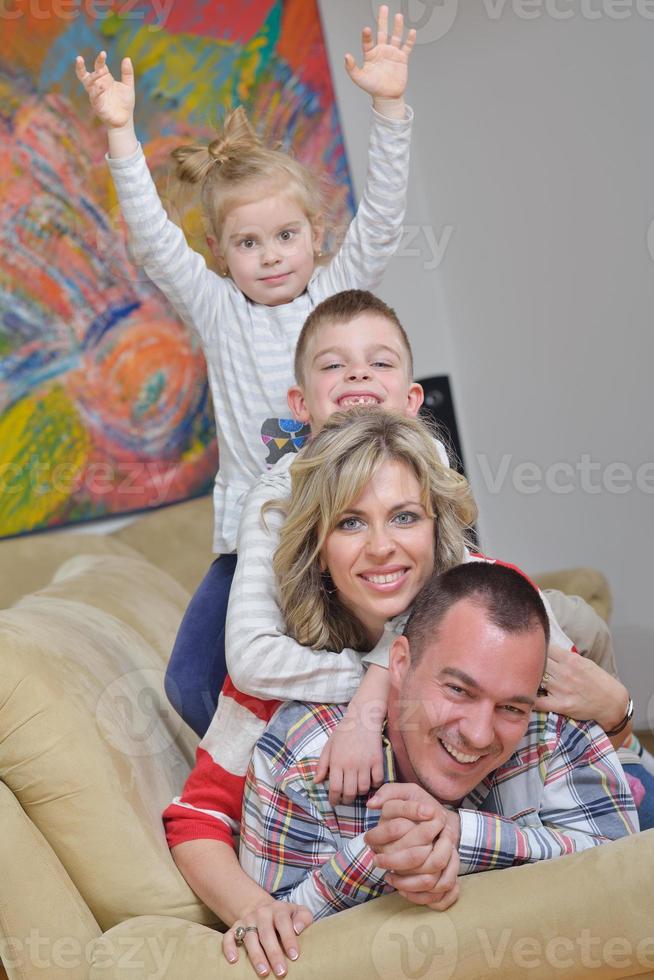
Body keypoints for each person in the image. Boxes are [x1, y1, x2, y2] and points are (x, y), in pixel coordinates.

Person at [163, 404, 638, 976]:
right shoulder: (280, 681)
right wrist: (255, 908)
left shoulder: (499, 630)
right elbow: (197, 819)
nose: (383, 546)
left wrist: (619, 713)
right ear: (317, 546)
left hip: (560, 706)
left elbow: (581, 755)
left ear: (438, 529)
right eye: (350, 522)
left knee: (581, 626)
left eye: (406, 517)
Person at [75, 5, 418, 738]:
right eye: (249, 243)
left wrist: (389, 107)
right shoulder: (215, 307)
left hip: (350, 529)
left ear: (315, 235)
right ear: (220, 252)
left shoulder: (336, 292)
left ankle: (379, 722)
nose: (271, 256)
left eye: (286, 235)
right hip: (256, 540)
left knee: (420, 634)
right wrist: (119, 136)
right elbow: (152, 238)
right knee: (191, 680)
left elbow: (384, 216)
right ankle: (300, 762)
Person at [237, 561, 638, 929]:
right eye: (459, 690)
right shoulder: (301, 758)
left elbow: (622, 872)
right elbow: (276, 934)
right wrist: (385, 853)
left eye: (511, 708)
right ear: (399, 664)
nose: (480, 734)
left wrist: (460, 835)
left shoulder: (555, 722)